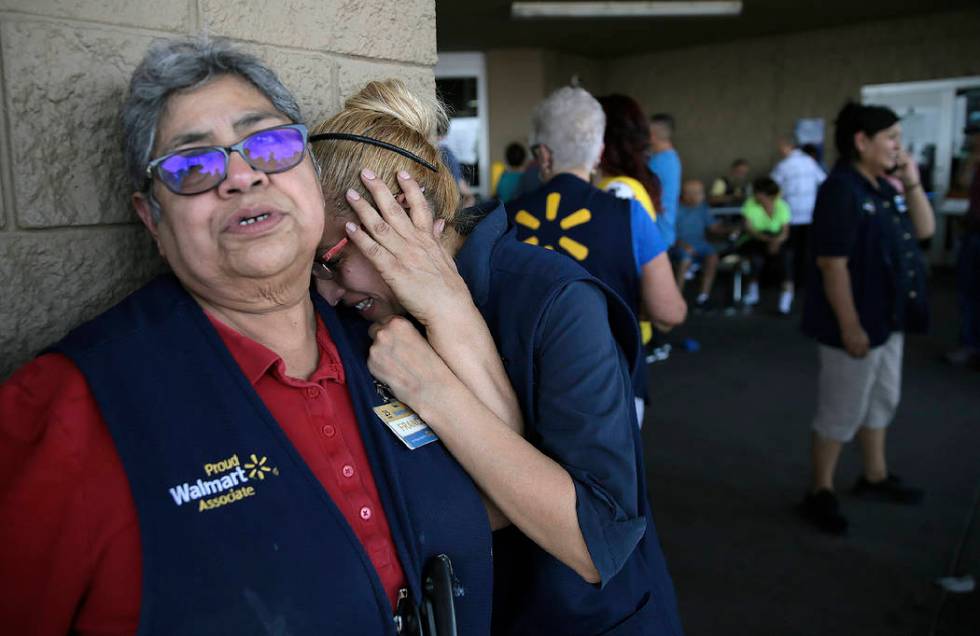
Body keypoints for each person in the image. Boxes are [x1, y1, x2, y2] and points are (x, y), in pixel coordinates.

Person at [0, 38, 495, 635]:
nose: (241, 174)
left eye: (268, 142)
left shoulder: (387, 343)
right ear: (152, 219)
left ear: (311, 177)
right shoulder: (65, 410)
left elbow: (509, 506)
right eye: (191, 165)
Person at [310, 79, 684, 635]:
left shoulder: (556, 301)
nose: (325, 292)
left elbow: (593, 541)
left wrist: (436, 383)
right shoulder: (360, 320)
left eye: (331, 261)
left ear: (403, 219)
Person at [507, 87, 686, 424]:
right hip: (612, 387)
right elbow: (669, 312)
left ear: (543, 155)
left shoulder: (502, 217)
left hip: (524, 390)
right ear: (599, 153)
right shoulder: (629, 216)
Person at [798, 101, 934, 535]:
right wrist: (850, 325)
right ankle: (819, 490)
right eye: (891, 138)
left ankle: (874, 475)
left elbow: (926, 231)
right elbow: (832, 264)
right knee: (841, 410)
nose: (899, 146)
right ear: (861, 141)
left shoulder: (883, 187)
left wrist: (911, 183)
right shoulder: (842, 189)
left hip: (888, 318)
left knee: (881, 401)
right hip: (854, 322)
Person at [945, 114, 980, 368]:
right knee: (968, 290)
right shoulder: (975, 162)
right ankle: (970, 344)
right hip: (974, 232)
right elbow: (964, 182)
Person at [771, 136, 826, 291]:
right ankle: (805, 284)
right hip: (809, 215)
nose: (779, 151)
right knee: (806, 251)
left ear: (789, 146)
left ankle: (790, 282)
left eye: (781, 147)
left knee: (789, 252)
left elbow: (771, 188)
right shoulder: (809, 162)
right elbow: (823, 180)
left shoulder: (783, 166)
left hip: (790, 216)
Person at [739, 176, 795, 314]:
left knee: (786, 259)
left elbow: (785, 231)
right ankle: (753, 292)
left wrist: (776, 241)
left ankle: (785, 301)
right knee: (756, 260)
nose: (756, 195)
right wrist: (767, 240)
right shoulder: (750, 204)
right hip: (756, 239)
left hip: (777, 239)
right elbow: (749, 229)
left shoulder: (782, 205)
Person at [672, 179, 729, 309]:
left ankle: (703, 297)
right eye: (695, 193)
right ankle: (676, 298)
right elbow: (669, 235)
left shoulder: (702, 207)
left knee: (713, 257)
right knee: (686, 257)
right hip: (679, 245)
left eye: (699, 193)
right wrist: (682, 244)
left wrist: (733, 228)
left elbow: (713, 227)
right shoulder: (675, 208)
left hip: (700, 243)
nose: (699, 196)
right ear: (685, 194)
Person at [648, 112, 682, 247]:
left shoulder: (659, 163)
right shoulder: (670, 158)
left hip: (656, 233)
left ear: (652, 135)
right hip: (663, 231)